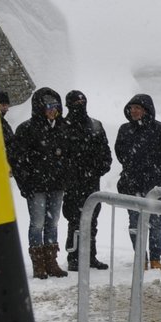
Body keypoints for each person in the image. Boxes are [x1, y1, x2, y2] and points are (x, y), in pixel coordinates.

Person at [114, 94, 161, 271]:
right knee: (135, 223)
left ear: (146, 110)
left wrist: (155, 169)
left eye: (137, 108)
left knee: (155, 223)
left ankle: (155, 258)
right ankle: (140, 258)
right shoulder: (124, 130)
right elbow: (120, 153)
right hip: (131, 185)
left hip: (155, 186)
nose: (133, 111)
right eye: (131, 108)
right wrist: (132, 167)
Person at [13, 86, 72, 278]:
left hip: (56, 185)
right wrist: (26, 184)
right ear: (40, 107)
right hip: (36, 186)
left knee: (53, 223)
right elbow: (18, 160)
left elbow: (69, 155)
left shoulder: (63, 127)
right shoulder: (26, 129)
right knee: (37, 223)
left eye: (55, 105)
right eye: (48, 106)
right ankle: (38, 263)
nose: (52, 110)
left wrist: (65, 177)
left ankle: (51, 261)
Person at [61, 90, 113, 271]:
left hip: (92, 182)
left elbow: (106, 154)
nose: (79, 106)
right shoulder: (63, 126)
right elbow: (59, 156)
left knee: (92, 219)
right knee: (74, 220)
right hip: (72, 183)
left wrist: (98, 169)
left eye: (82, 102)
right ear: (68, 105)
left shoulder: (95, 125)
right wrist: (70, 174)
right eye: (76, 103)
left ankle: (90, 256)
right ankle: (73, 257)